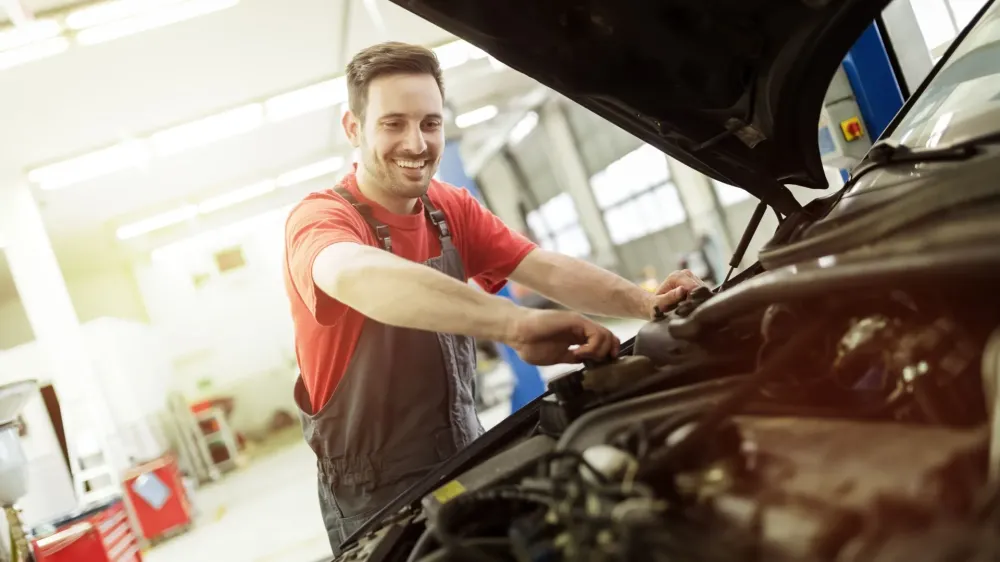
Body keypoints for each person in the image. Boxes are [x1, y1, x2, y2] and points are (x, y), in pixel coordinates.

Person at [282, 41, 705, 554]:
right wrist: (515, 324)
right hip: (376, 494)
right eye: (393, 123)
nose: (416, 143)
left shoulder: (449, 208)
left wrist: (645, 304)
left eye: (430, 123)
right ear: (354, 128)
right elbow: (355, 274)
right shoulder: (322, 219)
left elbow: (540, 264)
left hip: (468, 448)